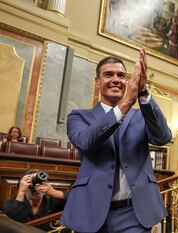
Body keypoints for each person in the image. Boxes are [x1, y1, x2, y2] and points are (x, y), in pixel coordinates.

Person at [60, 49, 172, 233]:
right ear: (98, 82)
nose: (115, 79)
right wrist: (126, 102)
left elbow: (163, 137)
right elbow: (86, 141)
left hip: (134, 213)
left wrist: (143, 93)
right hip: (91, 211)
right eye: (108, 74)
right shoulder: (79, 116)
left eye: (121, 75)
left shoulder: (140, 116)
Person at [2, 169, 68, 231]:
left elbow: (77, 201)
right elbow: (10, 224)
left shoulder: (53, 201)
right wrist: (21, 192)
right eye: (30, 182)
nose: (35, 186)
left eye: (40, 182)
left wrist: (55, 192)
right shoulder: (11, 204)